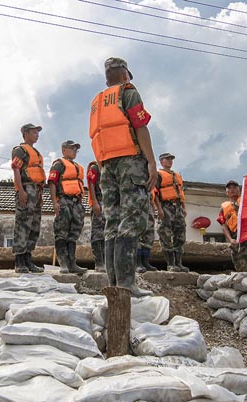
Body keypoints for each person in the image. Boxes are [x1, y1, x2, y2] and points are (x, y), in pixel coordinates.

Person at [88, 57, 158, 297]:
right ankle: (126, 284)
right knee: (131, 220)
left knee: (113, 223)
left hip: (107, 167)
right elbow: (140, 126)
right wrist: (151, 162)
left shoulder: (97, 102)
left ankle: (115, 283)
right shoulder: (128, 92)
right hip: (130, 164)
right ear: (125, 74)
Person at [11, 123, 46, 273]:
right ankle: (19, 261)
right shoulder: (20, 150)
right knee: (23, 224)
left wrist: (41, 194)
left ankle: (28, 258)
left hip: (36, 190)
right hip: (26, 188)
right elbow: (16, 169)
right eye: (33, 132)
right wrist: (20, 191)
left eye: (37, 132)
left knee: (34, 226)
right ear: (25, 133)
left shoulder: (36, 153)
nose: (37, 135)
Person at [48, 140, 87, 274]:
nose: (75, 151)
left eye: (76, 149)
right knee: (62, 232)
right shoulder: (58, 164)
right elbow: (52, 183)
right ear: (64, 150)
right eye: (72, 148)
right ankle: (63, 263)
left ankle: (72, 263)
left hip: (76, 202)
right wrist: (54, 202)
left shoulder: (78, 166)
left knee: (73, 233)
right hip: (64, 200)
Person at [154, 152, 189, 272]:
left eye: (171, 159)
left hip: (177, 206)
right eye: (167, 159)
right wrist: (158, 209)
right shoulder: (158, 175)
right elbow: (155, 193)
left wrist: (184, 208)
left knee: (180, 234)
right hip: (165, 206)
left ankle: (179, 263)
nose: (170, 161)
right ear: (161, 161)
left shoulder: (177, 175)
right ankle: (170, 264)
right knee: (165, 234)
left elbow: (181, 193)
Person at [86, 160, 105, 272]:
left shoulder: (110, 167)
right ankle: (99, 262)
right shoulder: (95, 167)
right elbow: (90, 183)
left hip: (109, 204)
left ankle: (106, 262)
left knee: (108, 234)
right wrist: (94, 202)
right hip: (98, 201)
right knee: (97, 232)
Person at [136, 197, 158, 273]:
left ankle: (145, 262)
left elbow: (156, 193)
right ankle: (138, 263)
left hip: (148, 201)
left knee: (149, 231)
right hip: (136, 200)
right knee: (137, 231)